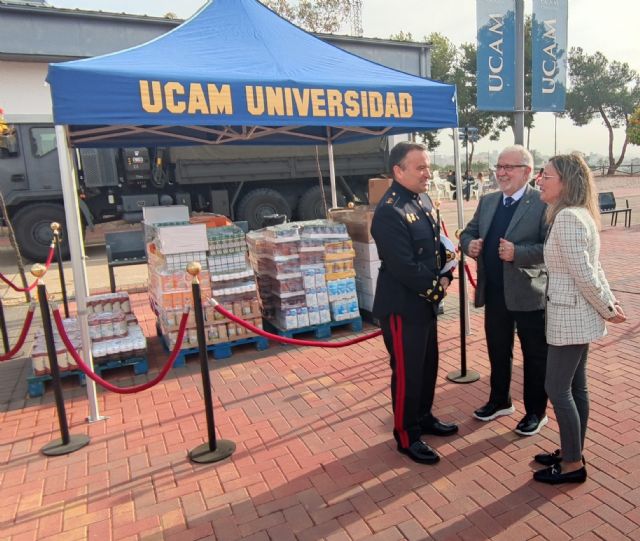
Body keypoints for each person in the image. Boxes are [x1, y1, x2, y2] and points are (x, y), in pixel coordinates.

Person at [533, 153, 626, 485]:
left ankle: (572, 464)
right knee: (576, 387)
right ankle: (572, 450)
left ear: (566, 182)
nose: (540, 180)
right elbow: (593, 268)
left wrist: (608, 307)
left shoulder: (569, 218)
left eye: (546, 175)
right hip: (576, 312)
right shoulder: (579, 214)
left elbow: (585, 273)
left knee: (556, 388)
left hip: (570, 315)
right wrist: (609, 302)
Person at [371, 141, 458, 465]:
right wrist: (439, 288)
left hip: (424, 302)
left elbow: (434, 244)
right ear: (399, 170)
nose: (427, 172)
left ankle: (424, 417)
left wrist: (445, 271)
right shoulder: (390, 211)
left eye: (427, 166)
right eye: (420, 167)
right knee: (407, 372)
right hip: (402, 305)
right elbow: (404, 265)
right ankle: (407, 435)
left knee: (428, 364)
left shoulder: (420, 198)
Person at [460, 145, 550, 436]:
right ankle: (499, 401)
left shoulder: (543, 203)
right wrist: (469, 245)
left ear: (526, 171)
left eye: (508, 167)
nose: (501, 172)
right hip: (495, 292)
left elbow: (550, 249)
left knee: (534, 355)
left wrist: (518, 253)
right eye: (499, 166)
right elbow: (468, 232)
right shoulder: (488, 201)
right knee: (498, 351)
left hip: (527, 293)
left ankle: (536, 412)